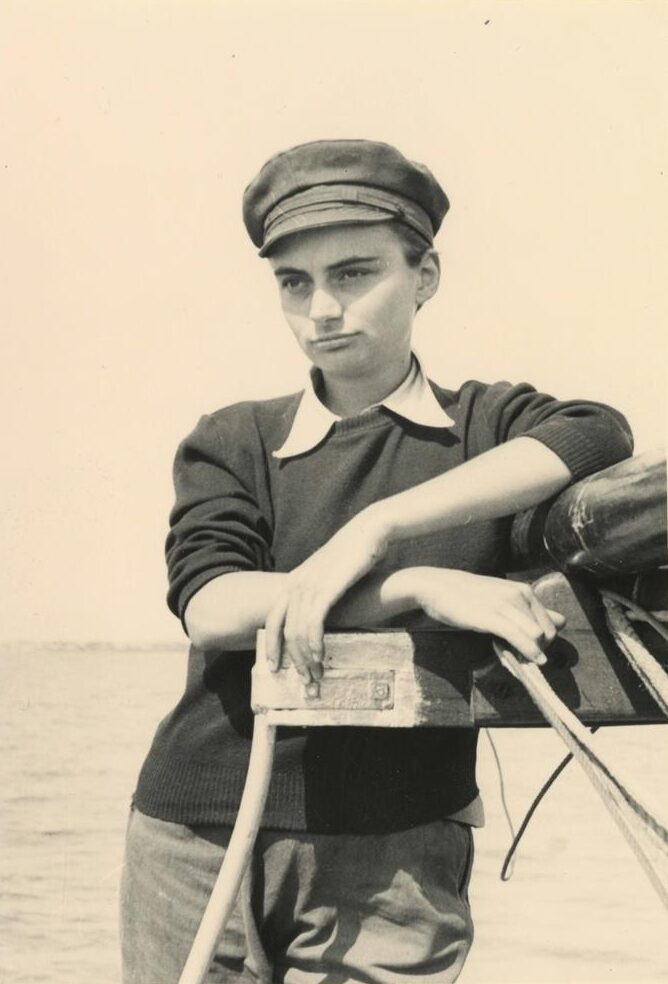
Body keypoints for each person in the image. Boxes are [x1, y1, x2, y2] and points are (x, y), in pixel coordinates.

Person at [120, 139, 633, 983]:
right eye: (295, 283)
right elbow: (213, 604)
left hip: (397, 855)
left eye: (355, 274)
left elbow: (597, 434)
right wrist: (415, 585)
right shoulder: (236, 438)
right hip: (197, 835)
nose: (323, 308)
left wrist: (380, 527)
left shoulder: (482, 427)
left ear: (425, 275)